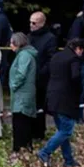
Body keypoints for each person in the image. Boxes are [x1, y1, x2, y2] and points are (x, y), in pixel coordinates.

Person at [38, 39, 83, 167]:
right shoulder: (74, 59)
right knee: (66, 130)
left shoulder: (56, 56)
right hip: (65, 100)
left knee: (62, 131)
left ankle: (68, 160)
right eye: (82, 50)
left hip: (52, 97)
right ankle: (45, 152)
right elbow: (75, 77)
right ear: (78, 48)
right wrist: (79, 91)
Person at [28, 12, 58, 140]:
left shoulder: (50, 38)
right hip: (28, 77)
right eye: (30, 22)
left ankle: (39, 132)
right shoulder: (29, 37)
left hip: (41, 78)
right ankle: (30, 130)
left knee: (40, 106)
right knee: (29, 105)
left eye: (34, 23)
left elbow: (51, 59)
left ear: (41, 23)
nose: (31, 25)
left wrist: (41, 72)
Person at [9, 33, 37, 152]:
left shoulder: (24, 55)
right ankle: (26, 145)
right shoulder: (24, 54)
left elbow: (21, 74)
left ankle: (18, 147)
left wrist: (13, 85)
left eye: (11, 42)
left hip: (22, 93)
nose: (10, 45)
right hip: (25, 93)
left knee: (20, 121)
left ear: (17, 43)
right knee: (24, 120)